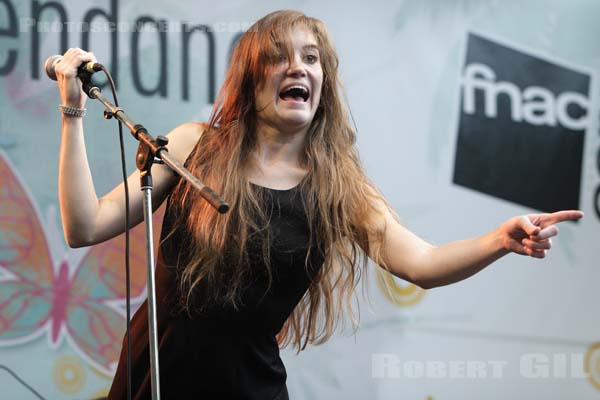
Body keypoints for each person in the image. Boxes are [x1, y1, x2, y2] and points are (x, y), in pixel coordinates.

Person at [54, 9, 583, 400]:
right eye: (280, 57)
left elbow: (421, 264)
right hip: (153, 376)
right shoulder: (195, 145)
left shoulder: (339, 188)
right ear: (252, 76)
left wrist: (498, 239)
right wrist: (72, 112)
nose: (298, 68)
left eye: (311, 59)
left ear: (323, 82)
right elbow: (84, 225)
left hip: (247, 388)